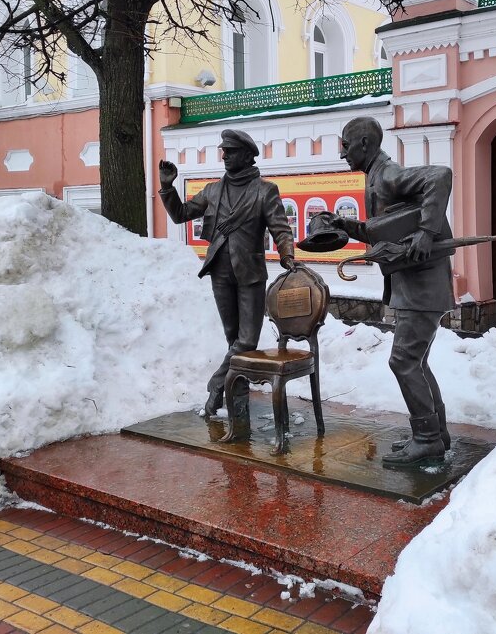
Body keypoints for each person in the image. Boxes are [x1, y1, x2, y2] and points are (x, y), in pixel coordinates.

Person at [327, 116, 453, 468]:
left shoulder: (388, 174)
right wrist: (345, 226)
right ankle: (435, 434)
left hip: (422, 288)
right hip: (415, 286)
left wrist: (427, 232)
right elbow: (385, 232)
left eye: (346, 145)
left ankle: (427, 439)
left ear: (365, 144)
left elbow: (440, 175)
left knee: (403, 361)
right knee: (417, 363)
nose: (343, 154)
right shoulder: (375, 178)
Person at [158, 129, 296, 417]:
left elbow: (280, 228)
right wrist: (167, 187)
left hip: (250, 274)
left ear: (246, 155)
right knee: (232, 339)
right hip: (220, 270)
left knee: (246, 342)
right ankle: (239, 394)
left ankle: (217, 386)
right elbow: (181, 214)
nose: (224, 156)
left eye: (230, 151)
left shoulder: (264, 190)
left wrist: (287, 255)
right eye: (224, 151)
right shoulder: (213, 190)